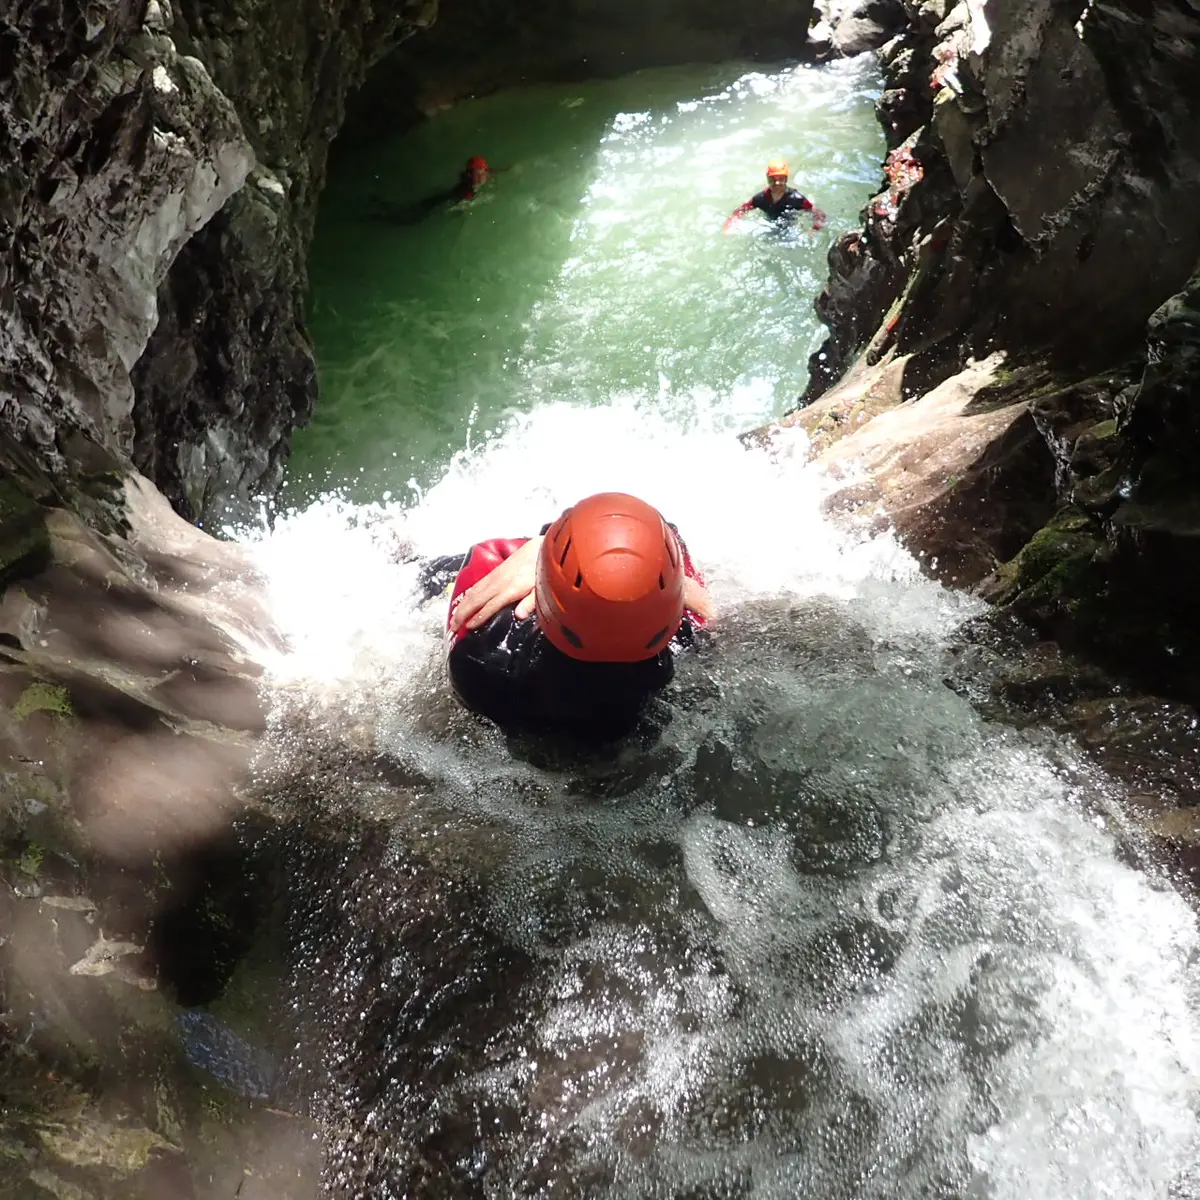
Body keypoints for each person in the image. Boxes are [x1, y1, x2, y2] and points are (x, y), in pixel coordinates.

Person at [422, 493, 715, 742]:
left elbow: (478, 573)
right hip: (575, 579)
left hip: (539, 587)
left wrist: (539, 553)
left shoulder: (486, 653)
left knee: (431, 576)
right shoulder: (687, 639)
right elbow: (664, 551)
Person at [374, 156, 497, 225]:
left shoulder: (486, 175)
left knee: (413, 210)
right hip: (446, 199)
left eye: (482, 172)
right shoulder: (468, 189)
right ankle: (378, 215)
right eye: (476, 173)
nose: (480, 176)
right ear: (469, 175)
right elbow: (457, 206)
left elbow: (496, 172)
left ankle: (381, 208)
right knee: (410, 218)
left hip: (445, 196)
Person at [723, 159, 826, 233]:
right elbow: (741, 209)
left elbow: (819, 214)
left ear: (786, 180)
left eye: (780, 179)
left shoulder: (796, 199)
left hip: (791, 229)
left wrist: (813, 231)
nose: (776, 183)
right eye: (773, 179)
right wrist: (732, 221)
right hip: (768, 226)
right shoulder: (760, 199)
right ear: (768, 180)